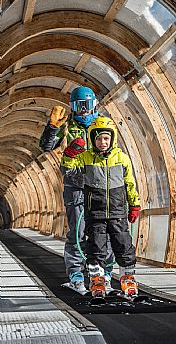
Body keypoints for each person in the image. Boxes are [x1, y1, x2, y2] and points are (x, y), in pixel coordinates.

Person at [39, 86, 114, 294]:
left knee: (104, 230)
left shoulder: (103, 125)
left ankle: (104, 274)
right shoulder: (68, 126)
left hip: (100, 185)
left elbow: (115, 151)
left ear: (94, 105)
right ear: (72, 107)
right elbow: (46, 146)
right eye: (78, 106)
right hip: (76, 185)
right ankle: (76, 275)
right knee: (78, 232)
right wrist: (52, 128)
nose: (82, 110)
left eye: (86, 105)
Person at [61, 116, 141, 298]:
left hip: (117, 212)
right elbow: (69, 170)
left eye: (106, 138)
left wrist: (134, 204)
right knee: (96, 247)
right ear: (92, 140)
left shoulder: (121, 158)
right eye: (98, 139)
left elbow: (130, 183)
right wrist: (70, 154)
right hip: (95, 213)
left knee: (123, 245)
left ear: (112, 139)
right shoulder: (86, 158)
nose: (102, 142)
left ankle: (128, 278)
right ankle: (97, 281)